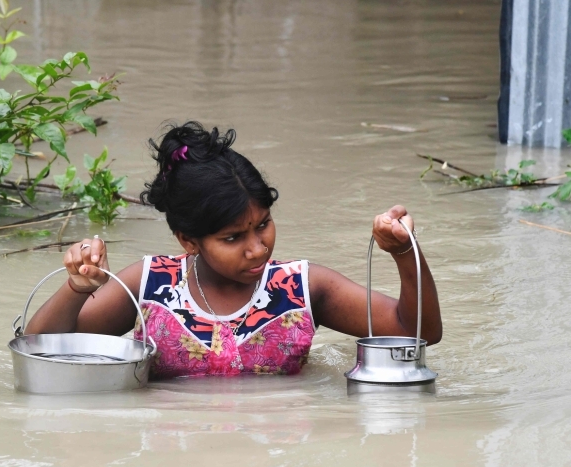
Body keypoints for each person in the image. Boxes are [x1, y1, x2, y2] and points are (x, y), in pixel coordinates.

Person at [25, 122, 442, 378]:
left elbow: (419, 332)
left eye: (263, 225)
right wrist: (76, 288)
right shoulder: (149, 285)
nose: (257, 249)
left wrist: (405, 252)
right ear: (188, 240)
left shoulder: (301, 288)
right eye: (232, 238)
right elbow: (42, 351)